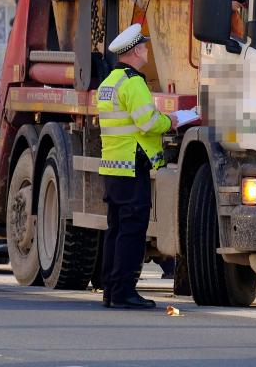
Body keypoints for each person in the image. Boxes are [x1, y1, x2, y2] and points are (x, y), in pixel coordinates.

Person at [96, 23, 178, 309]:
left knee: (116, 230)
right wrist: (173, 121)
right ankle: (124, 293)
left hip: (114, 167)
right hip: (132, 167)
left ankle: (111, 290)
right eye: (142, 46)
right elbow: (148, 123)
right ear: (132, 52)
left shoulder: (109, 83)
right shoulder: (133, 83)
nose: (146, 50)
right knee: (131, 232)